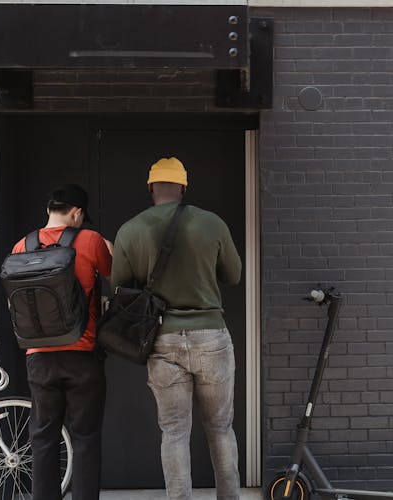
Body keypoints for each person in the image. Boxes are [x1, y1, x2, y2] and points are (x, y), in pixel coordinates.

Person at [111, 157, 242, 500]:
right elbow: (234, 275)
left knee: (173, 433)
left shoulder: (130, 229)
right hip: (211, 336)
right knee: (220, 429)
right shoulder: (212, 223)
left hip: (162, 339)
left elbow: (120, 288)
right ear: (183, 187)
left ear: (151, 187)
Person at [11, 184, 112, 500]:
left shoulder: (20, 246)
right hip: (81, 354)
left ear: (49, 210)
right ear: (77, 213)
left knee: (42, 439)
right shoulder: (89, 240)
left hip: (39, 357)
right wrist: (110, 246)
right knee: (84, 438)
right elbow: (115, 273)